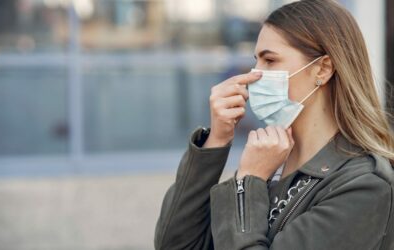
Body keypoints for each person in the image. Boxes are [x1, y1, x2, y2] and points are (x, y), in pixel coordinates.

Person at [154, 0, 394, 249]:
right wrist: (216, 140)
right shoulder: (270, 161)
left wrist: (247, 182)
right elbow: (176, 244)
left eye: (269, 60)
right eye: (256, 60)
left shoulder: (364, 186)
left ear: (322, 69)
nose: (255, 75)